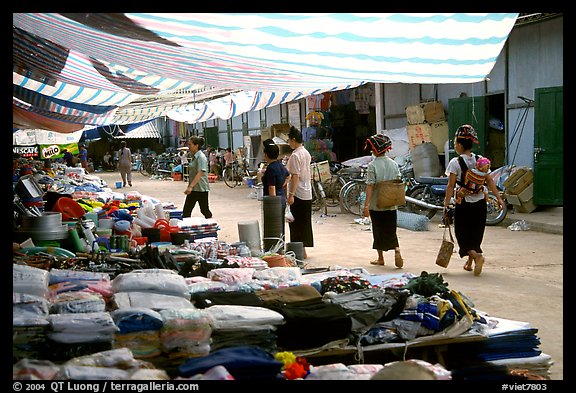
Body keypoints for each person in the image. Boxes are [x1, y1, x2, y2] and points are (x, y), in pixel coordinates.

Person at [444, 125, 505, 276]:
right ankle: (469, 263)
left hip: (464, 204)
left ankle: (477, 257)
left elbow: (450, 185)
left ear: (459, 144)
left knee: (463, 235)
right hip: (480, 204)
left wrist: (446, 203)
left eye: (455, 143)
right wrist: (498, 198)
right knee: (475, 233)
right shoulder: (481, 160)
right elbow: (490, 181)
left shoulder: (455, 162)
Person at [362, 134, 404, 268]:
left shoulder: (372, 166)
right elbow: (398, 181)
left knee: (378, 230)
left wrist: (366, 205)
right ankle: (396, 249)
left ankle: (381, 258)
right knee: (391, 230)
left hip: (377, 204)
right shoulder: (394, 164)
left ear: (374, 150)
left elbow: (370, 186)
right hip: (391, 203)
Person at [286, 126, 313, 259]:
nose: (288, 143)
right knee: (305, 222)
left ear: (294, 140)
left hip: (298, 192)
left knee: (296, 224)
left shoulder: (296, 155)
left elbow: (295, 176)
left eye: (289, 141)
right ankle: (303, 250)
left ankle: (300, 251)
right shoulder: (306, 153)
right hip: (307, 191)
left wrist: (291, 195)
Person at [262, 139, 291, 236]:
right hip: (281, 199)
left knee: (272, 227)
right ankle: (280, 246)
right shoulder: (280, 165)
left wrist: (272, 204)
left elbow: (271, 188)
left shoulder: (271, 168)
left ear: (266, 154)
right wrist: (282, 185)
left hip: (273, 202)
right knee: (280, 226)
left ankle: (275, 248)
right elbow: (288, 176)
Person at [183, 136, 213, 219]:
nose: (189, 147)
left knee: (204, 210)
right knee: (186, 211)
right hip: (194, 188)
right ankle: (186, 229)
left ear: (196, 145)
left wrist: (190, 186)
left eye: (190, 145)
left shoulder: (201, 157)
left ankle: (212, 225)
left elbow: (200, 173)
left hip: (200, 188)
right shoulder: (194, 157)